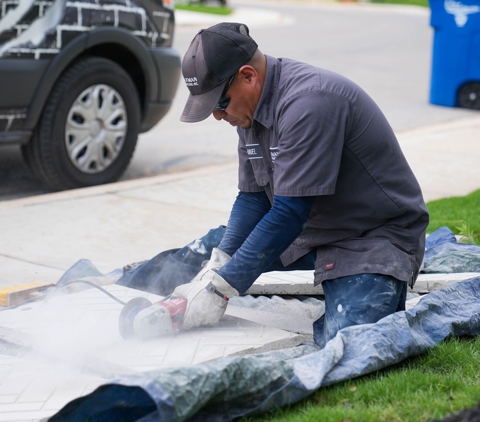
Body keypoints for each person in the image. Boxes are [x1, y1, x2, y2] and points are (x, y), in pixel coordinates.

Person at [170, 22, 429, 347]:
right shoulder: (248, 110)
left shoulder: (310, 102)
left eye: (219, 105)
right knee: (198, 256)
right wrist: (220, 263)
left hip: (369, 236)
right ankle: (119, 287)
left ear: (248, 76)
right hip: (309, 230)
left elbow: (290, 213)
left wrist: (223, 287)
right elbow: (253, 198)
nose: (218, 117)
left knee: (350, 342)